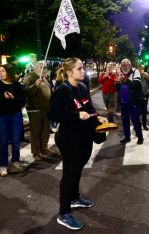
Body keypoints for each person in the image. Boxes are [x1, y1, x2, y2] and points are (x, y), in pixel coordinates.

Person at [48, 57, 107, 230]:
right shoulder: (62, 90)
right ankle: (63, 213)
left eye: (83, 68)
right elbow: (52, 115)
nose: (83, 71)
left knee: (77, 170)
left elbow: (89, 109)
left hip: (84, 136)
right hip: (69, 138)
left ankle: (74, 198)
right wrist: (76, 115)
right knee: (69, 174)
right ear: (69, 72)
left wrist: (98, 118)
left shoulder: (82, 87)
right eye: (80, 68)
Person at [0, 63, 26, 177]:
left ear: (9, 72)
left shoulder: (17, 85)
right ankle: (3, 165)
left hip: (15, 115)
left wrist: (13, 98)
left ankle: (16, 161)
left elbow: (22, 101)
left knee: (16, 140)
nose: (1, 73)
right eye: (0, 71)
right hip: (2, 116)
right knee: (3, 141)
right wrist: (4, 99)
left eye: (3, 71)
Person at [23, 61, 56, 161]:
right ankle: (36, 152)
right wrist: (34, 86)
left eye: (45, 67)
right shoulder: (31, 77)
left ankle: (44, 148)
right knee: (36, 132)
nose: (45, 69)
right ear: (37, 67)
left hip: (45, 108)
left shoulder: (44, 77)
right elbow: (24, 90)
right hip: (35, 109)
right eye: (43, 67)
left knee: (45, 130)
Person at [116, 58, 144, 144]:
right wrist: (117, 82)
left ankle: (140, 137)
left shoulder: (135, 72)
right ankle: (127, 137)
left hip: (133, 101)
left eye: (126, 64)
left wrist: (125, 79)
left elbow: (137, 85)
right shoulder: (120, 74)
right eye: (123, 65)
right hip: (123, 102)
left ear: (130, 65)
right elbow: (117, 89)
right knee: (125, 120)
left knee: (135, 119)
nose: (124, 66)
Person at [138, 65, 149, 130]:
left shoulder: (145, 74)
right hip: (138, 94)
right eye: (140, 68)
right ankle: (137, 125)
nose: (141, 70)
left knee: (144, 110)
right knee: (137, 111)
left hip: (145, 94)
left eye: (142, 68)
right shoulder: (136, 75)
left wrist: (146, 75)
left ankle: (144, 125)